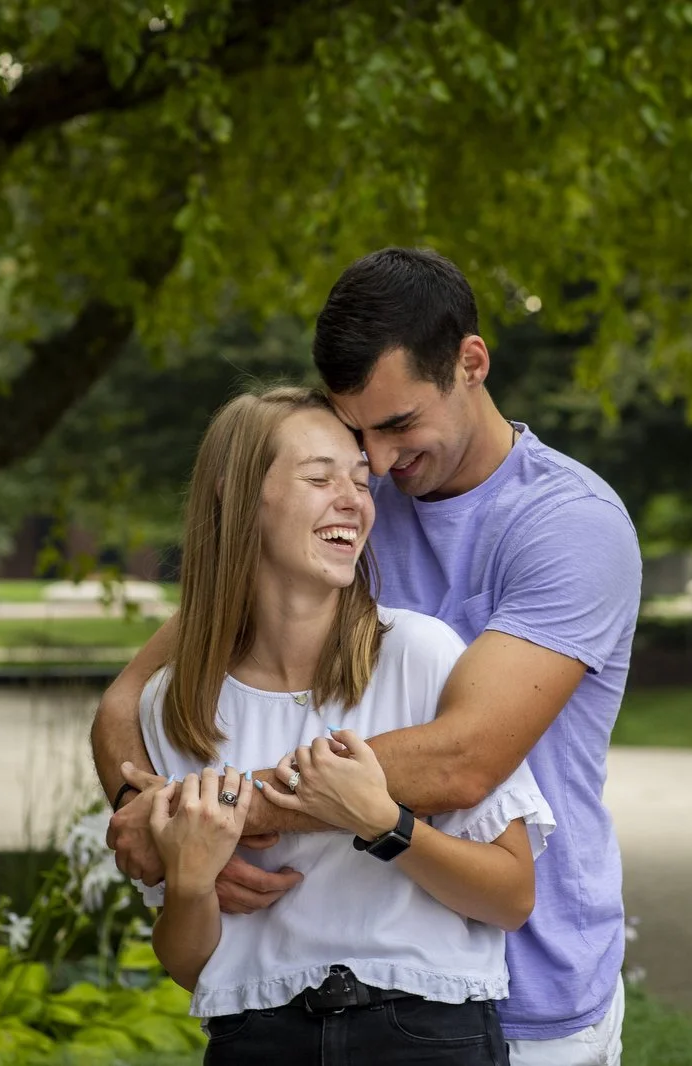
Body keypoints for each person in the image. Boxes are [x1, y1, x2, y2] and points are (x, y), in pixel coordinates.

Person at [94, 248, 643, 1065]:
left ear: (472, 364)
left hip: (531, 994)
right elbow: (127, 702)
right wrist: (142, 818)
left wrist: (215, 816)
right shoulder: (349, 502)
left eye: (397, 427)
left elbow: (464, 760)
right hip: (303, 1006)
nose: (379, 466)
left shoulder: (568, 526)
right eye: (357, 435)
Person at [137, 385, 552, 1065]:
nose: (355, 501)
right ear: (236, 497)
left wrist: (385, 824)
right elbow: (188, 965)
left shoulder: (420, 655)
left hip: (427, 1035)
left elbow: (511, 896)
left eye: (360, 481)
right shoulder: (175, 704)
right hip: (256, 1039)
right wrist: (188, 881)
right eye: (319, 477)